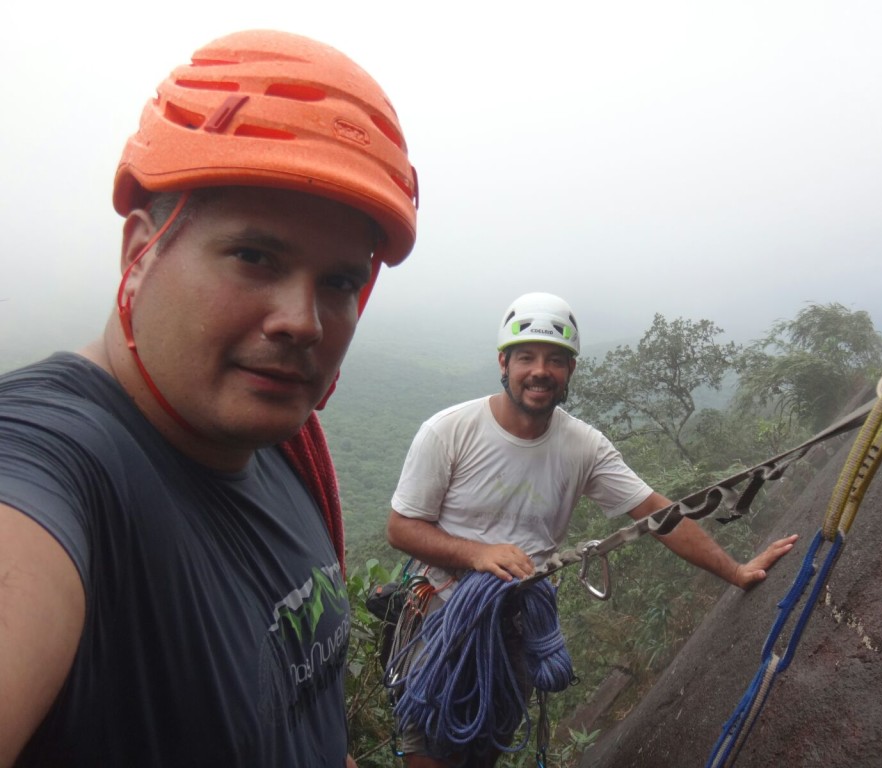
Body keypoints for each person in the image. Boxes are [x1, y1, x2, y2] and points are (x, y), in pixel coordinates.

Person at [0, 29, 418, 768]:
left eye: (340, 282)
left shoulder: (284, 451)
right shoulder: (51, 464)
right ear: (140, 252)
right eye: (254, 256)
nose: (303, 320)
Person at [386, 292, 798, 767]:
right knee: (430, 750)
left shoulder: (583, 446)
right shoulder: (449, 431)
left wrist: (737, 571)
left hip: (514, 627)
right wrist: (478, 554)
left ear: (570, 371)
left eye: (555, 360)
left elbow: (657, 515)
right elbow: (401, 527)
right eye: (526, 357)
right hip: (442, 616)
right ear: (504, 363)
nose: (540, 370)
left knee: (484, 747)